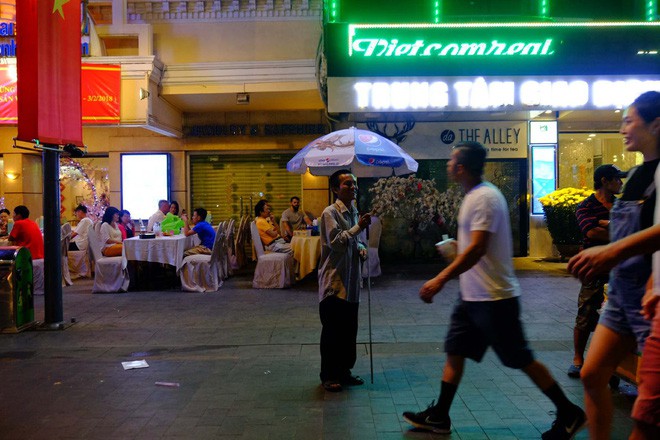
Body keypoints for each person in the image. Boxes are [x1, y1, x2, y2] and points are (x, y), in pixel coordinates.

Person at [402, 142, 585, 439]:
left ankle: (569, 412)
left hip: (494, 298)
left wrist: (440, 279)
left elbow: (478, 248)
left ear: (461, 167)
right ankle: (440, 416)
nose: (448, 164)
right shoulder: (473, 196)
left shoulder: (485, 198)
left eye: (451, 160)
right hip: (472, 297)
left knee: (520, 359)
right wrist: (455, 250)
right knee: (455, 351)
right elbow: (474, 248)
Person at [568, 91, 660, 440]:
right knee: (592, 375)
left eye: (629, 120)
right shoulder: (636, 173)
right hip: (622, 293)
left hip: (650, 292)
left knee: (649, 412)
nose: (623, 128)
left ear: (656, 124)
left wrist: (610, 252)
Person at [567, 164, 625, 378]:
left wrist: (607, 225)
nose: (620, 183)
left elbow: (634, 228)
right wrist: (620, 234)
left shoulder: (622, 205)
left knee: (619, 315)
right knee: (586, 312)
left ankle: (614, 362)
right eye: (617, 179)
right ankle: (578, 358)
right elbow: (591, 232)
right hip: (596, 267)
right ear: (604, 181)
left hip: (621, 267)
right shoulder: (586, 206)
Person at [317, 169, 370, 392]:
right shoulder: (329, 213)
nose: (353, 187)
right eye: (348, 184)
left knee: (349, 331)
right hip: (335, 281)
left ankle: (344, 371)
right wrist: (358, 228)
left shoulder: (354, 211)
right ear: (336, 189)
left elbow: (353, 241)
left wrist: (360, 247)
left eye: (355, 184)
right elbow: (336, 242)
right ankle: (329, 375)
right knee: (333, 331)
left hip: (352, 281)